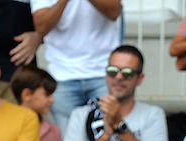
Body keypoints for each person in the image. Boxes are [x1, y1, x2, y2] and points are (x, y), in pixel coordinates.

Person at [31, 0, 121, 132]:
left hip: (102, 73)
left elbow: (114, 11)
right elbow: (41, 27)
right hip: (62, 75)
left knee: (108, 138)